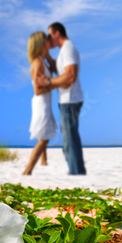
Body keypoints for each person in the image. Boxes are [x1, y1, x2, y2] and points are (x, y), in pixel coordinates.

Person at [36, 22, 86, 175]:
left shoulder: (68, 48)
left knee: (70, 142)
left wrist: (48, 82)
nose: (48, 38)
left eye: (49, 35)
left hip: (70, 101)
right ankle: (76, 173)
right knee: (68, 142)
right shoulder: (64, 50)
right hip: (68, 101)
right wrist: (48, 56)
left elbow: (70, 75)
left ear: (57, 34)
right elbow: (58, 69)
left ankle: (77, 175)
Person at [23, 31, 57, 175]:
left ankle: (43, 162)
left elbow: (55, 69)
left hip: (45, 101)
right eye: (46, 39)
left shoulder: (43, 61)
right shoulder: (37, 63)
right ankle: (28, 170)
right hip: (41, 102)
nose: (50, 41)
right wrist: (56, 84)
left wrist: (48, 57)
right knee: (44, 137)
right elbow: (37, 90)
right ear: (41, 43)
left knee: (45, 131)